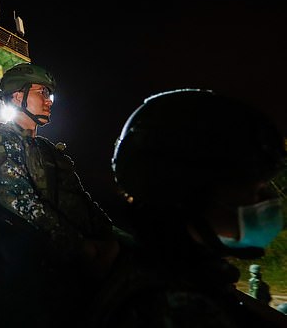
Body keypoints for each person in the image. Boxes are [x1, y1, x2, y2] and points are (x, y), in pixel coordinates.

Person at [86, 88, 287, 327]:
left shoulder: (165, 274)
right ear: (187, 195)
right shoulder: (175, 308)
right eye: (255, 191)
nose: (268, 202)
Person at [0, 63, 122, 327]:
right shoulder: (1, 144)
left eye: (50, 95)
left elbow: (80, 199)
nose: (49, 101)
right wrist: (86, 250)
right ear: (18, 96)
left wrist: (112, 237)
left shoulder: (46, 149)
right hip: (26, 280)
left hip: (66, 274)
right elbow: (23, 206)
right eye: (42, 92)